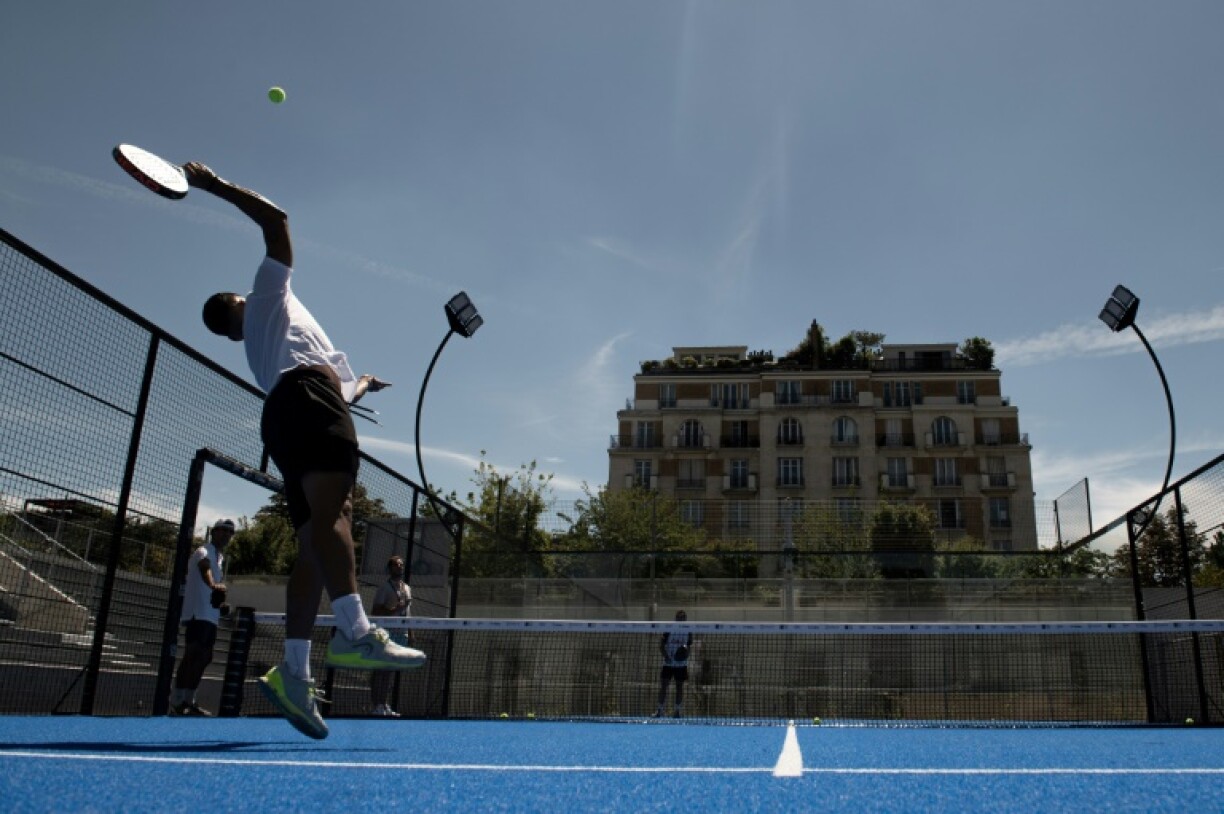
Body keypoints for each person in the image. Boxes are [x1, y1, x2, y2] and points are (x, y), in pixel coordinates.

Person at [185, 161, 425, 740]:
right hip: (310, 402)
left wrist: (362, 384)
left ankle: (293, 671)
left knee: (314, 544)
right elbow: (277, 220)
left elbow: (337, 387)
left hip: (295, 411)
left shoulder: (271, 343)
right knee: (336, 518)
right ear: (237, 305)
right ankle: (354, 630)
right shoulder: (266, 298)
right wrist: (214, 185)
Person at [170, 518, 234, 716]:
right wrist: (213, 585)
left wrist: (221, 605)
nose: (225, 535)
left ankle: (190, 701)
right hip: (198, 613)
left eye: (229, 533)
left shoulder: (220, 557)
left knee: (205, 657)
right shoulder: (203, 551)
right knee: (192, 655)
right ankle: (177, 701)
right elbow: (203, 567)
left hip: (211, 616)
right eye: (222, 531)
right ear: (213, 532)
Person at [369, 555, 413, 717]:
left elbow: (407, 612)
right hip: (385, 634)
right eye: (396, 565)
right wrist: (394, 609)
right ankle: (376, 705)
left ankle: (384, 704)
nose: (399, 567)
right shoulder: (384, 588)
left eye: (401, 565)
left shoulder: (407, 588)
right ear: (389, 569)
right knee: (380, 670)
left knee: (389, 672)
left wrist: (410, 632)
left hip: (401, 634)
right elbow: (375, 610)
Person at [654, 609, 693, 719]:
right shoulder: (668, 629)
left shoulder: (689, 631)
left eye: (683, 618)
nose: (681, 620)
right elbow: (661, 645)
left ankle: (677, 711)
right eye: (679, 618)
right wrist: (666, 657)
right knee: (663, 686)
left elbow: (689, 647)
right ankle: (660, 711)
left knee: (679, 687)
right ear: (675, 619)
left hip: (681, 665)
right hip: (668, 664)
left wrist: (685, 655)